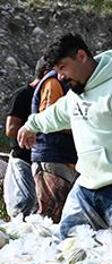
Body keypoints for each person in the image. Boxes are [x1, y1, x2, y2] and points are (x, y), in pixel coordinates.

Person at [17, 34, 112, 238]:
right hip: (85, 186)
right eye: (57, 71)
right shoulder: (75, 95)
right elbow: (54, 115)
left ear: (81, 56)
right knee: (68, 244)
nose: (60, 76)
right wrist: (31, 125)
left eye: (63, 67)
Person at [30, 57, 79, 222]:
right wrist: (83, 123)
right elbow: (48, 120)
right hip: (52, 158)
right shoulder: (52, 83)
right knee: (51, 216)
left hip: (62, 157)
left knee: (62, 213)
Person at [4, 59, 49, 217]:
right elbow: (10, 129)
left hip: (39, 159)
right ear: (45, 72)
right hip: (22, 157)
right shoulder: (23, 94)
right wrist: (32, 131)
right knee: (24, 202)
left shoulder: (47, 96)